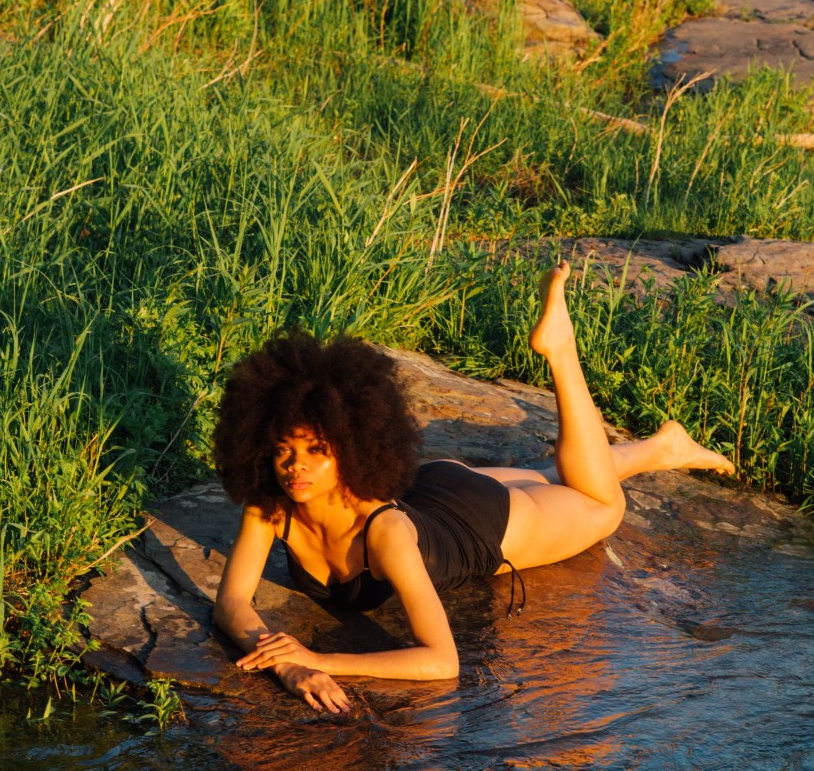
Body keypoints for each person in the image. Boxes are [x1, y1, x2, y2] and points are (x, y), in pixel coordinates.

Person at [212, 260, 733, 714]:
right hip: (427, 487)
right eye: (283, 450)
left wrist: (317, 659)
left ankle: (560, 351)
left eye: (316, 450)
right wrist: (284, 666)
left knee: (601, 502)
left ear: (349, 450)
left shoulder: (386, 533)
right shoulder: (271, 508)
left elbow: (442, 662)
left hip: (483, 519)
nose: (294, 467)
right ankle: (662, 449)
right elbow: (231, 601)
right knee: (564, 477)